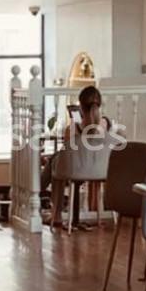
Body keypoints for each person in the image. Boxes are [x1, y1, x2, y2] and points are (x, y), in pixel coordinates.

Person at [48, 86, 114, 229]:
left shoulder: (72, 129)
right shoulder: (107, 126)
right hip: (101, 170)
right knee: (55, 160)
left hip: (74, 169)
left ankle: (56, 214)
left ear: (81, 106)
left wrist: (74, 124)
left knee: (55, 161)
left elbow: (66, 152)